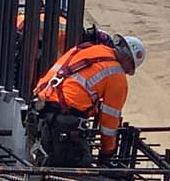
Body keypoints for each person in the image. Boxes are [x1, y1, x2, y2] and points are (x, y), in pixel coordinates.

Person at [32, 31, 146, 166]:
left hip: (38, 109)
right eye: (129, 69)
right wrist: (107, 152)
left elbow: (73, 86)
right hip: (63, 121)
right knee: (81, 166)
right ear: (128, 61)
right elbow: (109, 122)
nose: (126, 72)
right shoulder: (117, 75)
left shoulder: (87, 49)